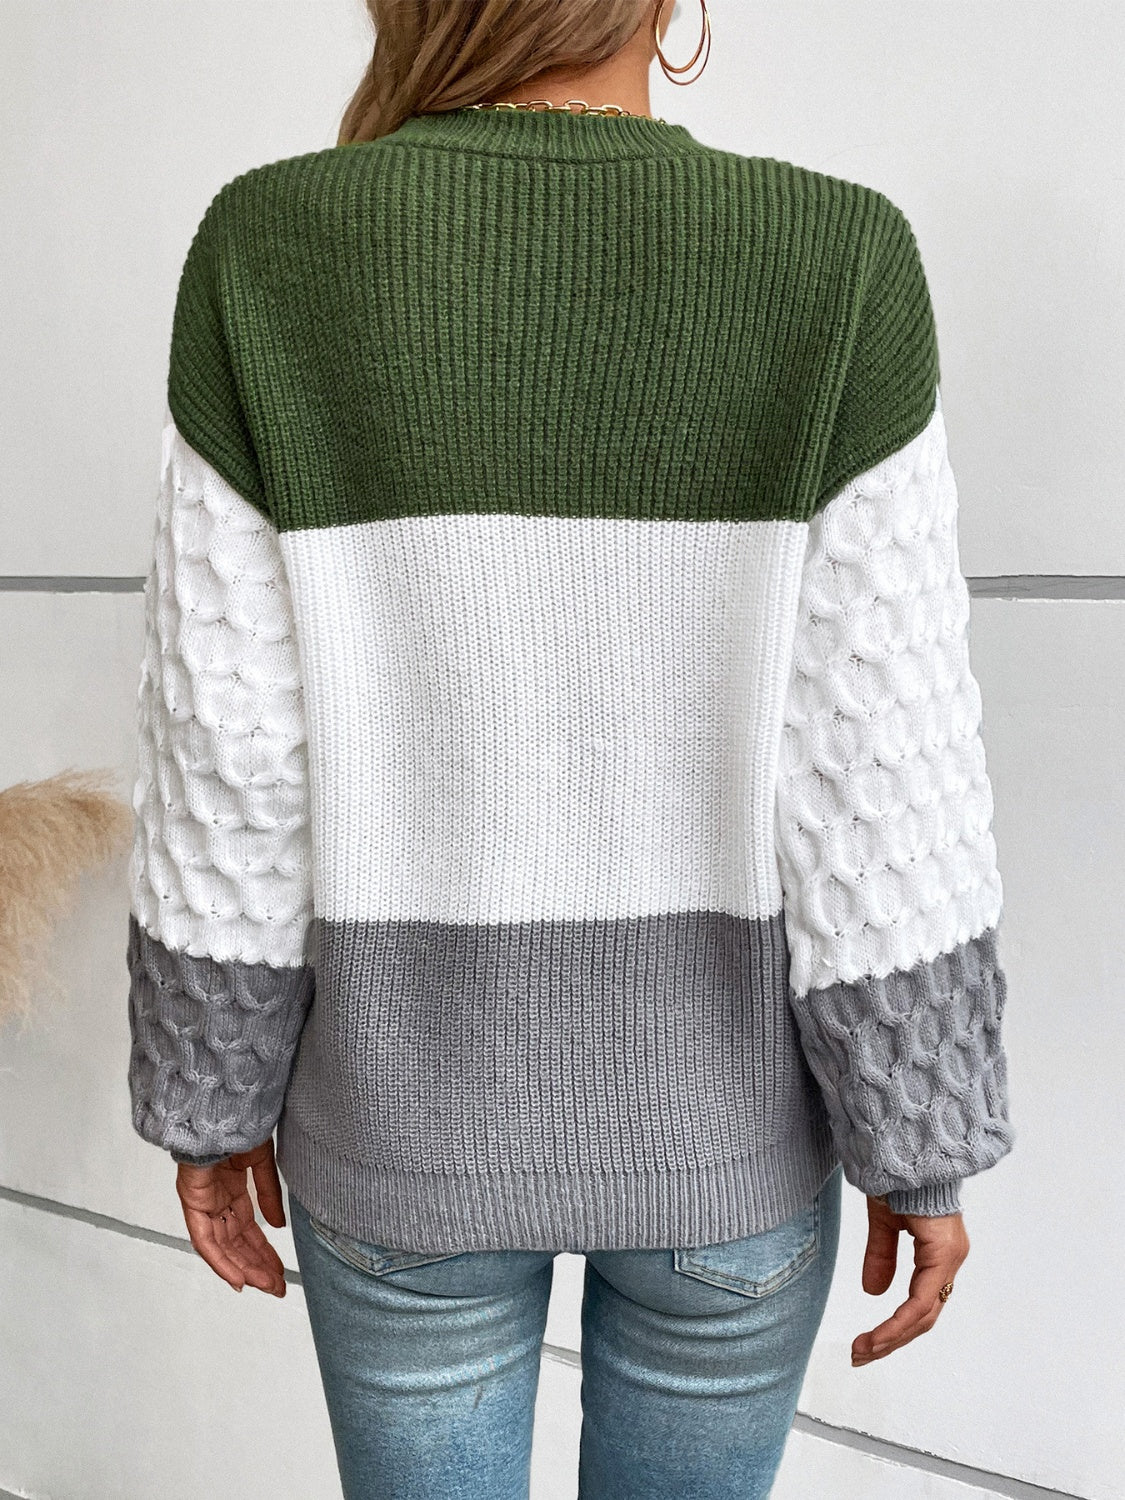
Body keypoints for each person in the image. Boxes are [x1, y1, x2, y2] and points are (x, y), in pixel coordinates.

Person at [123, 1, 1016, 1495]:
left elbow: (231, 753)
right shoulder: (838, 259)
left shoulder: (269, 248)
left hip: (402, 1145)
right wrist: (916, 1133)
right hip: (721, 1150)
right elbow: (877, 760)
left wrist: (210, 1096)